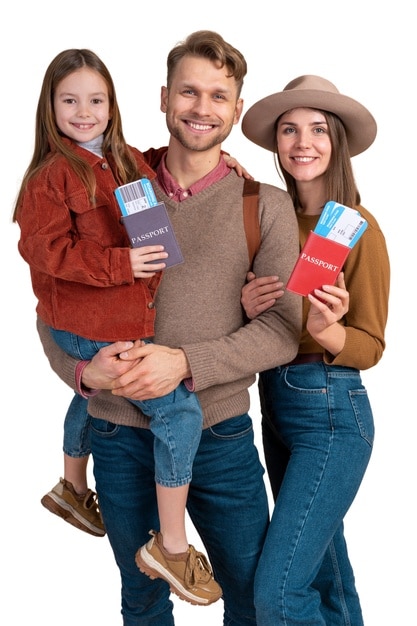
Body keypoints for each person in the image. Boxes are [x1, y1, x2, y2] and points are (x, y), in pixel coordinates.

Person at [35, 30, 302, 625]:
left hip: (219, 436)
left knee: (254, 595)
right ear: (162, 98)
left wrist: (184, 363)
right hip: (118, 435)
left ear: (235, 108)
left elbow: (284, 332)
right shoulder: (114, 186)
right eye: (188, 92)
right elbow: (53, 301)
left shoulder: (264, 207)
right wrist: (82, 371)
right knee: (143, 597)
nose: (201, 109)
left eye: (217, 96)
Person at [13, 46, 230, 604]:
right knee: (179, 412)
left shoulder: (125, 159)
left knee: (97, 391)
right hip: (87, 321)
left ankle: (70, 486)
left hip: (115, 319)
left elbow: (158, 160)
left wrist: (224, 165)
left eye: (96, 100)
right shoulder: (50, 176)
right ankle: (173, 548)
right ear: (49, 107)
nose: (84, 111)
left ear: (112, 105)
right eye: (69, 100)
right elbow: (42, 251)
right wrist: (119, 264)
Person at [240, 75, 390, 625]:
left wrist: (329, 332)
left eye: (318, 130)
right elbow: (261, 324)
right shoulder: (264, 219)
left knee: (277, 594)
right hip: (274, 404)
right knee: (327, 581)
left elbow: (370, 345)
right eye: (289, 130)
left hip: (332, 410)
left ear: (338, 142)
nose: (303, 142)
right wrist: (250, 305)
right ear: (277, 143)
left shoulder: (357, 228)